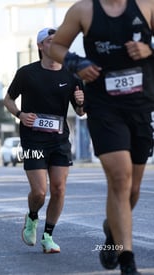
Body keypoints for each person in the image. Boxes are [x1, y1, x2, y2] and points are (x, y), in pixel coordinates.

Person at [49, 1, 153, 274]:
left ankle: (112, 231)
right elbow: (56, 46)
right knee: (120, 177)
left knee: (132, 190)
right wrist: (75, 63)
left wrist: (149, 48)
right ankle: (127, 259)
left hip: (140, 106)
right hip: (104, 107)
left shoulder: (147, 6)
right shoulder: (83, 10)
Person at [3, 27, 85, 254]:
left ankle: (48, 236)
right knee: (39, 192)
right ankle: (32, 217)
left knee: (58, 189)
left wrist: (80, 102)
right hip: (32, 140)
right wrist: (20, 115)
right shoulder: (27, 73)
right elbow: (8, 99)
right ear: (40, 46)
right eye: (51, 40)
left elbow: (80, 112)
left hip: (59, 140)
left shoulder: (72, 75)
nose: (57, 43)